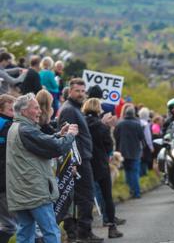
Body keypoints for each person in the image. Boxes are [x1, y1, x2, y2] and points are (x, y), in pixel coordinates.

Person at [6, 93, 77, 243]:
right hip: (35, 192)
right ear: (25, 111)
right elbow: (57, 148)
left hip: (22, 191)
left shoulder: (17, 127)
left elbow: (43, 141)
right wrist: (70, 135)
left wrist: (59, 134)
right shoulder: (26, 129)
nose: (40, 111)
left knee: (25, 233)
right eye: (36, 108)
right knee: (51, 231)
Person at [58, 78, 103, 243]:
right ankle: (84, 233)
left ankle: (80, 231)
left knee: (83, 197)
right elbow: (68, 138)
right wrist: (73, 162)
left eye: (83, 91)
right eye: (77, 91)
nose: (81, 94)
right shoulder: (69, 110)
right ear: (70, 92)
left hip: (83, 158)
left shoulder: (76, 109)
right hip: (78, 160)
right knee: (86, 196)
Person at [83, 98, 124, 239]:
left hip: (86, 163)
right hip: (101, 163)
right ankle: (111, 226)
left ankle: (85, 229)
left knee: (87, 198)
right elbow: (109, 146)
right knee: (107, 197)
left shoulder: (81, 122)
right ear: (98, 109)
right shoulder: (102, 126)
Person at [114, 105, 145, 199]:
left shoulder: (120, 124)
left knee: (127, 171)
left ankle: (130, 190)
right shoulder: (137, 124)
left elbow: (116, 136)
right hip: (135, 151)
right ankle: (137, 192)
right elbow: (142, 138)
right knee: (135, 172)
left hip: (123, 151)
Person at [0, 95, 16, 243]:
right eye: (11, 109)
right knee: (10, 225)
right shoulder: (8, 126)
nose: (14, 112)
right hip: (3, 182)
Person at [138, 107, 154, 175]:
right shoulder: (145, 124)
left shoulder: (137, 121)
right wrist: (151, 147)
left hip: (137, 144)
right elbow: (148, 137)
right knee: (144, 160)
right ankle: (143, 174)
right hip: (145, 144)